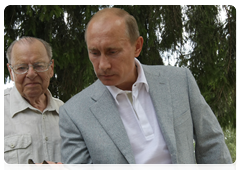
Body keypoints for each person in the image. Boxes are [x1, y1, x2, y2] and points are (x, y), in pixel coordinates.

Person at [40, 7, 234, 170]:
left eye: (112, 51)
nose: (103, 65)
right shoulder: (75, 112)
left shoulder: (179, 81)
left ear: (137, 46)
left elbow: (211, 145)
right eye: (95, 53)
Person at [4, 37, 66, 170]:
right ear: (11, 72)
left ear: (51, 68)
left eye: (39, 65)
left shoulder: (65, 111)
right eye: (21, 67)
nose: (31, 74)